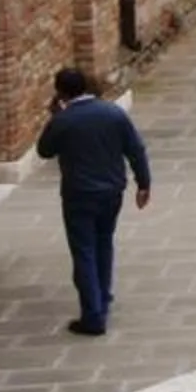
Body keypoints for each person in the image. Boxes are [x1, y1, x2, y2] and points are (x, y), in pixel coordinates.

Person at [36, 66, 152, 337]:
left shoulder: (64, 120)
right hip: (111, 191)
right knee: (104, 242)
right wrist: (143, 183)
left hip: (79, 194)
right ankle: (103, 294)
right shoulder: (113, 113)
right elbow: (135, 149)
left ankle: (93, 315)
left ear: (61, 92)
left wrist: (54, 116)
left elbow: (44, 150)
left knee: (84, 250)